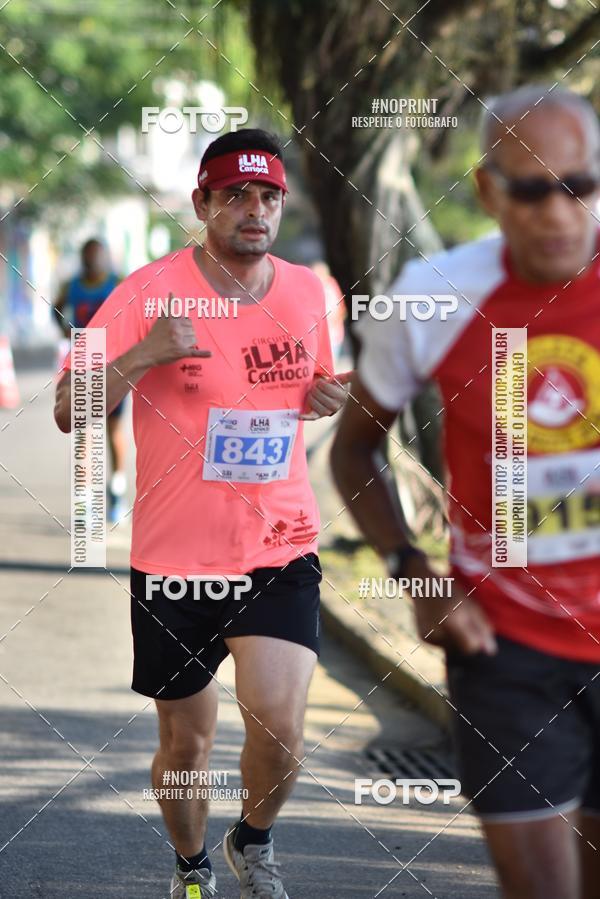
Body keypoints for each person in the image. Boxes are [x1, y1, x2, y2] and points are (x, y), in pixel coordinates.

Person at [54, 129, 350, 899]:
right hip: (174, 559)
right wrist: (141, 354)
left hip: (278, 544)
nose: (255, 209)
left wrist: (322, 397)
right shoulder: (146, 293)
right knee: (187, 743)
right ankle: (191, 865)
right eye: (236, 195)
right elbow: (67, 408)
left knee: (281, 726)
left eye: (269, 196)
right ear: (202, 203)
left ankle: (253, 839)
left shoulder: (305, 292)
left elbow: (306, 387)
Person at [330, 85, 600, 899]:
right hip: (505, 647)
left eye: (579, 185)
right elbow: (353, 451)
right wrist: (414, 574)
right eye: (532, 188)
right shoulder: (434, 294)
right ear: (486, 190)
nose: (558, 212)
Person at [53, 238, 127, 523]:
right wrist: (65, 330)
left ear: (105, 257)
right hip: (84, 363)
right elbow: (56, 309)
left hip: (114, 364)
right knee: (84, 434)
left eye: (97, 256)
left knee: (113, 430)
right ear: (82, 258)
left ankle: (117, 490)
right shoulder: (71, 286)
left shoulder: (117, 283)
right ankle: (85, 503)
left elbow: (134, 312)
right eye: (88, 256)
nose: (92, 261)